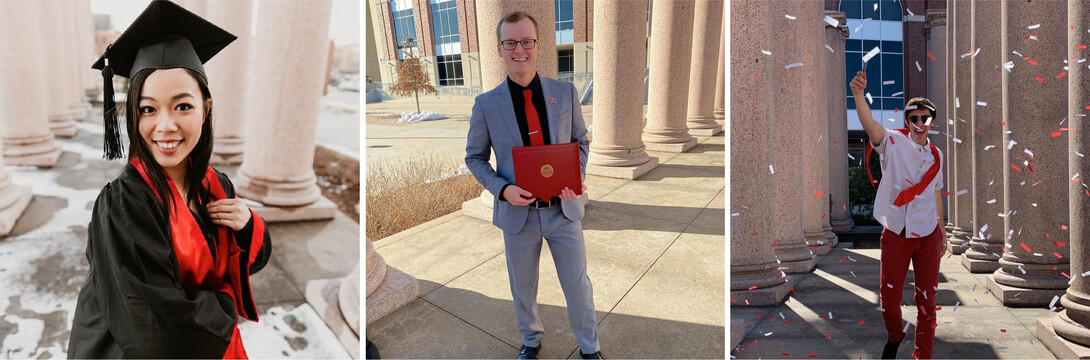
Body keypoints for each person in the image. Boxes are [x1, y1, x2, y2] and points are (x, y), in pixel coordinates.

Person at [68, 1, 271, 358]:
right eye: (148, 109)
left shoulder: (217, 185)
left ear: (206, 109)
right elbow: (153, 326)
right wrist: (226, 303)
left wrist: (247, 226)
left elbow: (241, 261)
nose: (165, 126)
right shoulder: (123, 203)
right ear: (133, 114)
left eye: (182, 106)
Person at [464, 11, 603, 360]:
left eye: (526, 41)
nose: (519, 49)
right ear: (499, 49)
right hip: (517, 216)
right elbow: (474, 158)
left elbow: (580, 142)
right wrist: (502, 189)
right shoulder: (486, 105)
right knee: (522, 288)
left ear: (538, 47)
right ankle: (530, 340)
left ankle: (590, 348)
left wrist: (575, 175)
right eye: (511, 42)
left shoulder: (565, 92)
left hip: (563, 211)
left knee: (578, 286)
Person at [850, 71, 947, 359]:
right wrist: (858, 94)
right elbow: (871, 126)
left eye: (925, 118)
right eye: (914, 118)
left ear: (931, 122)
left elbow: (936, 193)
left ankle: (922, 356)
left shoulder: (937, 155)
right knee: (889, 300)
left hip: (928, 234)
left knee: (927, 304)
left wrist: (942, 230)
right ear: (907, 122)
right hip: (896, 232)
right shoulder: (892, 142)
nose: (920, 123)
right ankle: (895, 334)